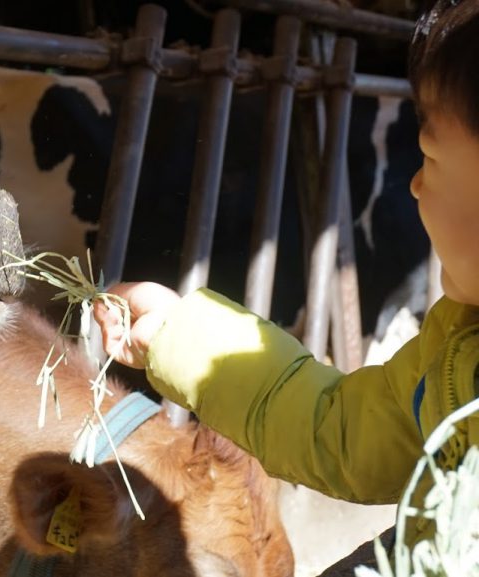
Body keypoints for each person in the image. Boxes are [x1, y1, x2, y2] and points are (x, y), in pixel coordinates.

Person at [93, 0, 479, 546]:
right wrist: (176, 334)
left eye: (429, 156)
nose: (414, 184)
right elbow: (340, 428)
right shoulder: (454, 347)